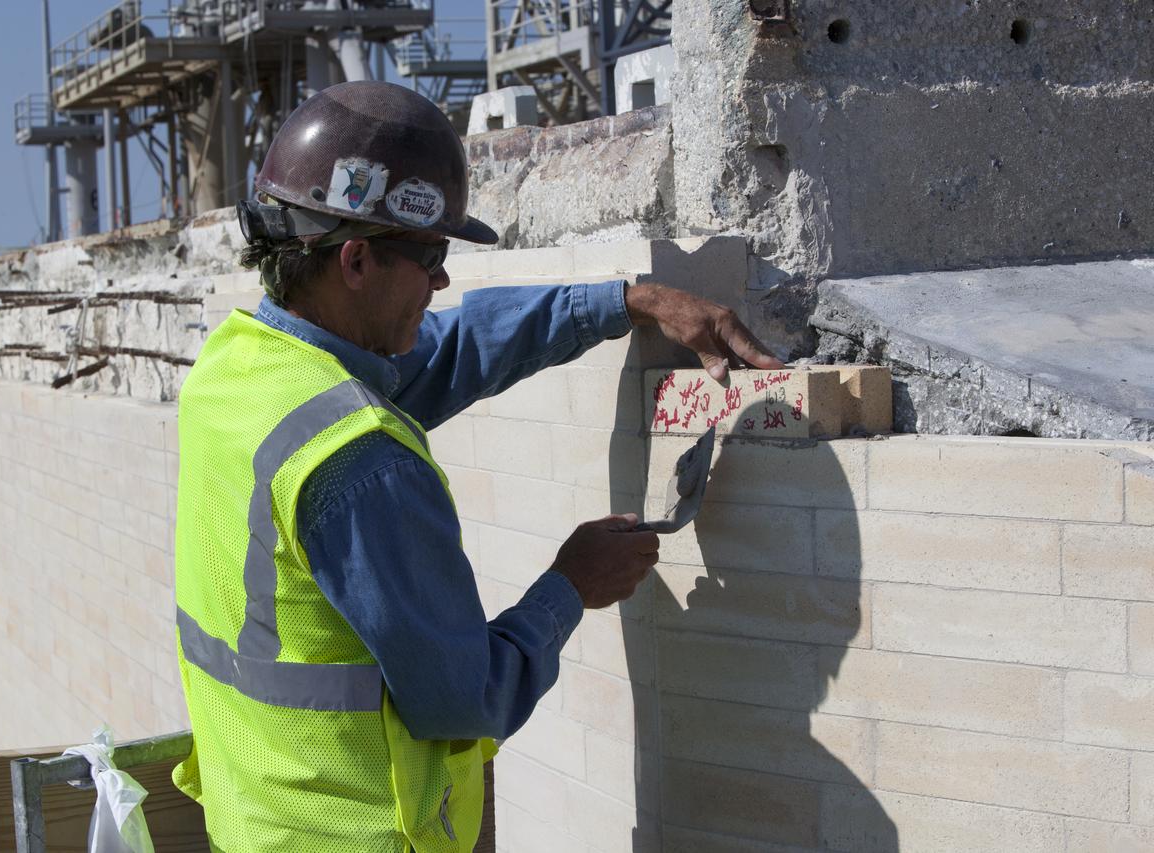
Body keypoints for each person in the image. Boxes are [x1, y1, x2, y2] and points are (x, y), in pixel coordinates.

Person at [171, 80, 783, 853]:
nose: (442, 282)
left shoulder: (239, 370)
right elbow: (467, 697)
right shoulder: (359, 463)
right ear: (355, 259)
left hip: (256, 824)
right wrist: (571, 585)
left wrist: (626, 300)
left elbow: (454, 348)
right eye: (430, 258)